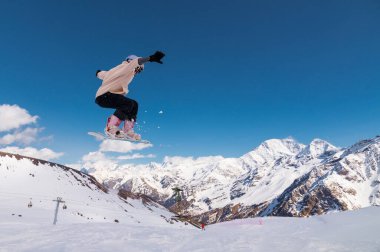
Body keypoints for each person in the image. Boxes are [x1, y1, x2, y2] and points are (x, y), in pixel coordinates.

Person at [95, 51, 165, 140]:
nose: (136, 73)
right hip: (104, 96)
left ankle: (128, 130)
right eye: (138, 69)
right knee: (127, 104)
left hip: (105, 96)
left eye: (139, 71)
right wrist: (150, 58)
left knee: (134, 104)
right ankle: (111, 128)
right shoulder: (127, 67)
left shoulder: (115, 70)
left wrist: (98, 73)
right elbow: (136, 62)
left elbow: (103, 74)